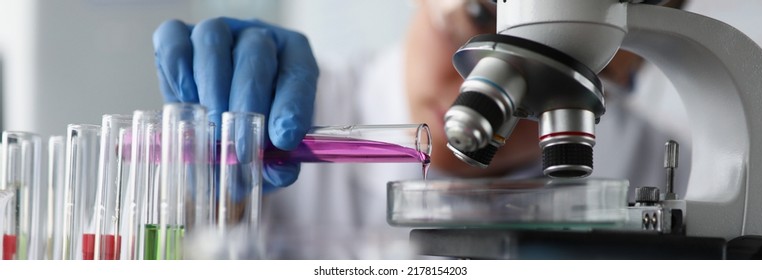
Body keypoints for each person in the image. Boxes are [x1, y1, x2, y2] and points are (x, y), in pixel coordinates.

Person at [153, 0, 688, 259]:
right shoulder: (284, 111)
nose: (474, 89)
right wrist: (203, 196)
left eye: (569, 70)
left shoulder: (672, 173)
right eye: (479, 15)